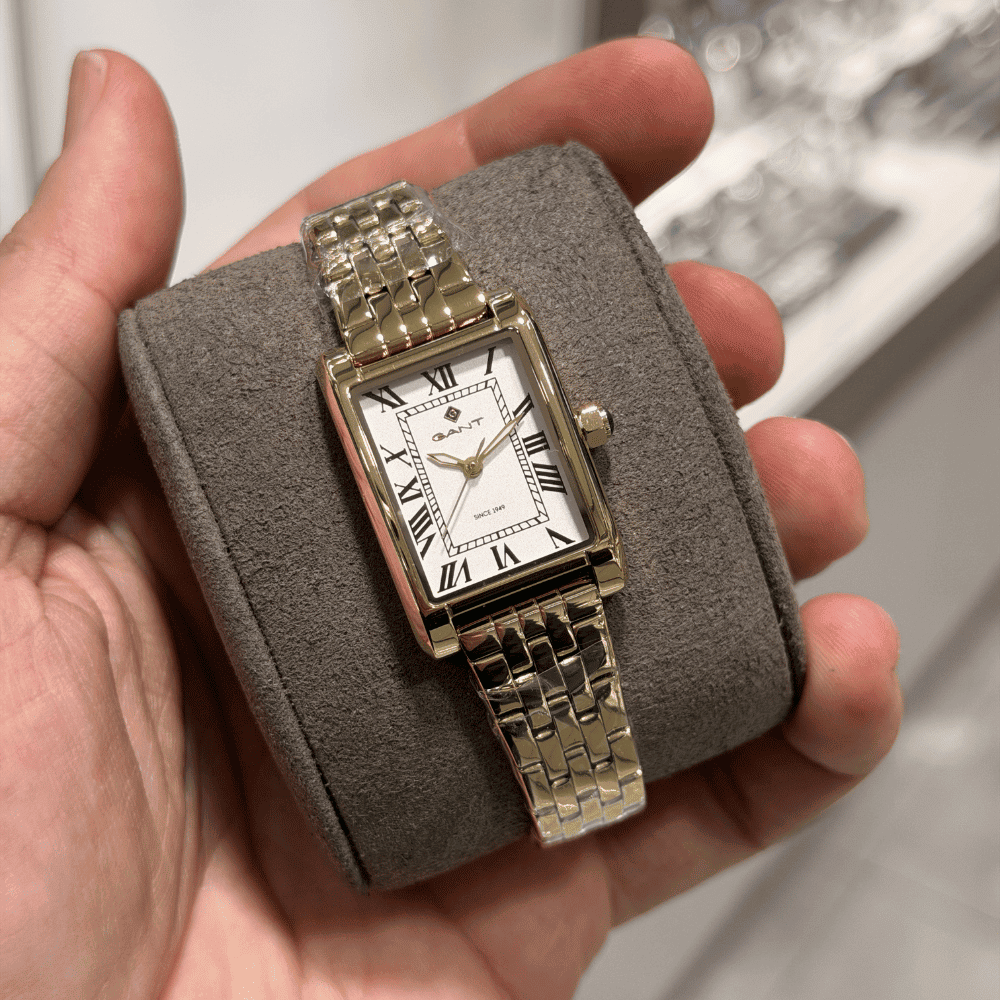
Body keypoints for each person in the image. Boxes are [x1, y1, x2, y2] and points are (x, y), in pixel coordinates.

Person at [0, 38, 901, 999]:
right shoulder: (353, 388)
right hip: (480, 608)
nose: (486, 459)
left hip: (550, 572)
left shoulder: (497, 338)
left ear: (579, 426)